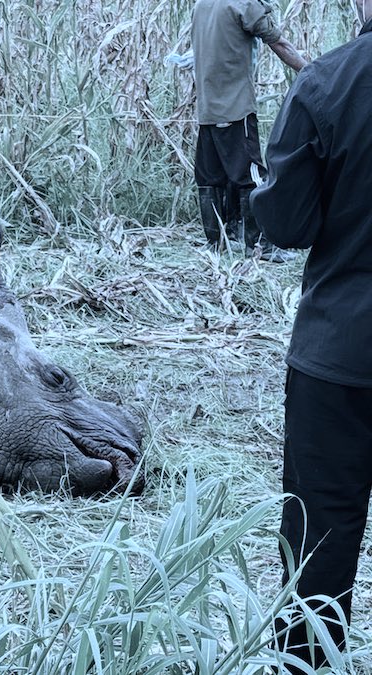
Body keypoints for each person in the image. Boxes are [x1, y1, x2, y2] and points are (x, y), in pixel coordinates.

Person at [250, 3, 372, 670]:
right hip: (336, 358)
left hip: (338, 360)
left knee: (317, 563)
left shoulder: (326, 83)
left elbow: (287, 223)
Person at [190, 0, 306, 261]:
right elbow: (278, 43)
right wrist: (311, 71)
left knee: (210, 178)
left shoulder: (201, 5)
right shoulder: (243, 4)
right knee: (251, 177)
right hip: (236, 108)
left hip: (207, 109)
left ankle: (216, 244)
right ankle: (260, 247)